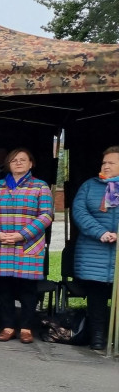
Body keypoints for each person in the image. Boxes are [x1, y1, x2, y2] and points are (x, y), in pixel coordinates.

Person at [0, 147, 53, 345]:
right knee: (4, 289)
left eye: (23, 160)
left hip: (28, 245)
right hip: (2, 243)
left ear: (31, 164)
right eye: (14, 160)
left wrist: (21, 235)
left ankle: (27, 328)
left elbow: (46, 215)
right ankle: (8, 326)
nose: (18, 163)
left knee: (27, 290)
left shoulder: (40, 186)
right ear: (8, 164)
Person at [71, 146, 119, 351]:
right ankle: (97, 337)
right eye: (104, 162)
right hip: (94, 252)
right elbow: (79, 212)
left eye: (111, 163)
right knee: (96, 299)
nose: (106, 166)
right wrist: (101, 232)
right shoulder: (90, 185)